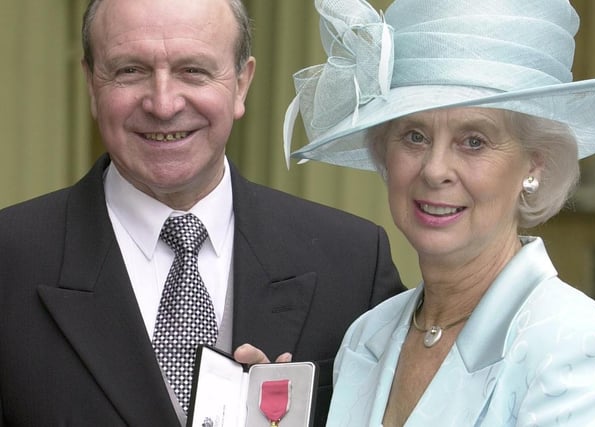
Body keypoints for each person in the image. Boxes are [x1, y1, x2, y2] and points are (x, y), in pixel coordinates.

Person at [0, 0, 405, 425]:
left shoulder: (353, 264)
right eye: (129, 71)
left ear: (241, 83)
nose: (163, 103)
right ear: (91, 83)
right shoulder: (10, 262)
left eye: (193, 70)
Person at [284, 0, 595, 425]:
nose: (435, 170)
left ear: (535, 163)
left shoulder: (575, 349)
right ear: (384, 152)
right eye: (414, 136)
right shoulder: (368, 335)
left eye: (474, 141)